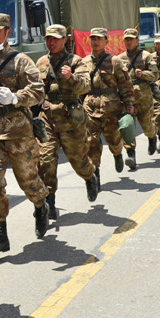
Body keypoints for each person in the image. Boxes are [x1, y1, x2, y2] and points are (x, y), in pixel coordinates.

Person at [0, 13, 49, 255]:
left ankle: (41, 205)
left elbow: (38, 91)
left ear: (8, 33)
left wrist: (17, 98)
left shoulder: (21, 61)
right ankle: (1, 235)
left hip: (19, 133)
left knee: (29, 182)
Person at [36, 24, 98, 220]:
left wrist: (71, 78)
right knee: (46, 161)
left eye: (55, 38)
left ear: (65, 40)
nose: (51, 42)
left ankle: (90, 176)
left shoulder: (76, 62)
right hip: (48, 118)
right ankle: (50, 203)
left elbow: (86, 85)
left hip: (70, 119)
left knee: (78, 160)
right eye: (48, 38)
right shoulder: (41, 62)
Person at [83, 27, 134, 190]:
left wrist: (128, 104)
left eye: (99, 38)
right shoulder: (83, 63)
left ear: (106, 41)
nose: (95, 41)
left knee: (114, 140)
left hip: (112, 108)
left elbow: (125, 84)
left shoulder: (115, 62)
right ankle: (94, 176)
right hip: (90, 109)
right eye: (93, 38)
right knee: (91, 143)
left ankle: (118, 154)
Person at [116, 28, 159, 167]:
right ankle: (131, 156)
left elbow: (155, 75)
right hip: (127, 96)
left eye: (131, 39)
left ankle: (152, 137)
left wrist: (144, 74)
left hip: (144, 96)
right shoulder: (119, 58)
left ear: (137, 40)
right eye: (126, 40)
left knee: (146, 125)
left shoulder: (146, 56)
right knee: (128, 126)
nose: (128, 42)